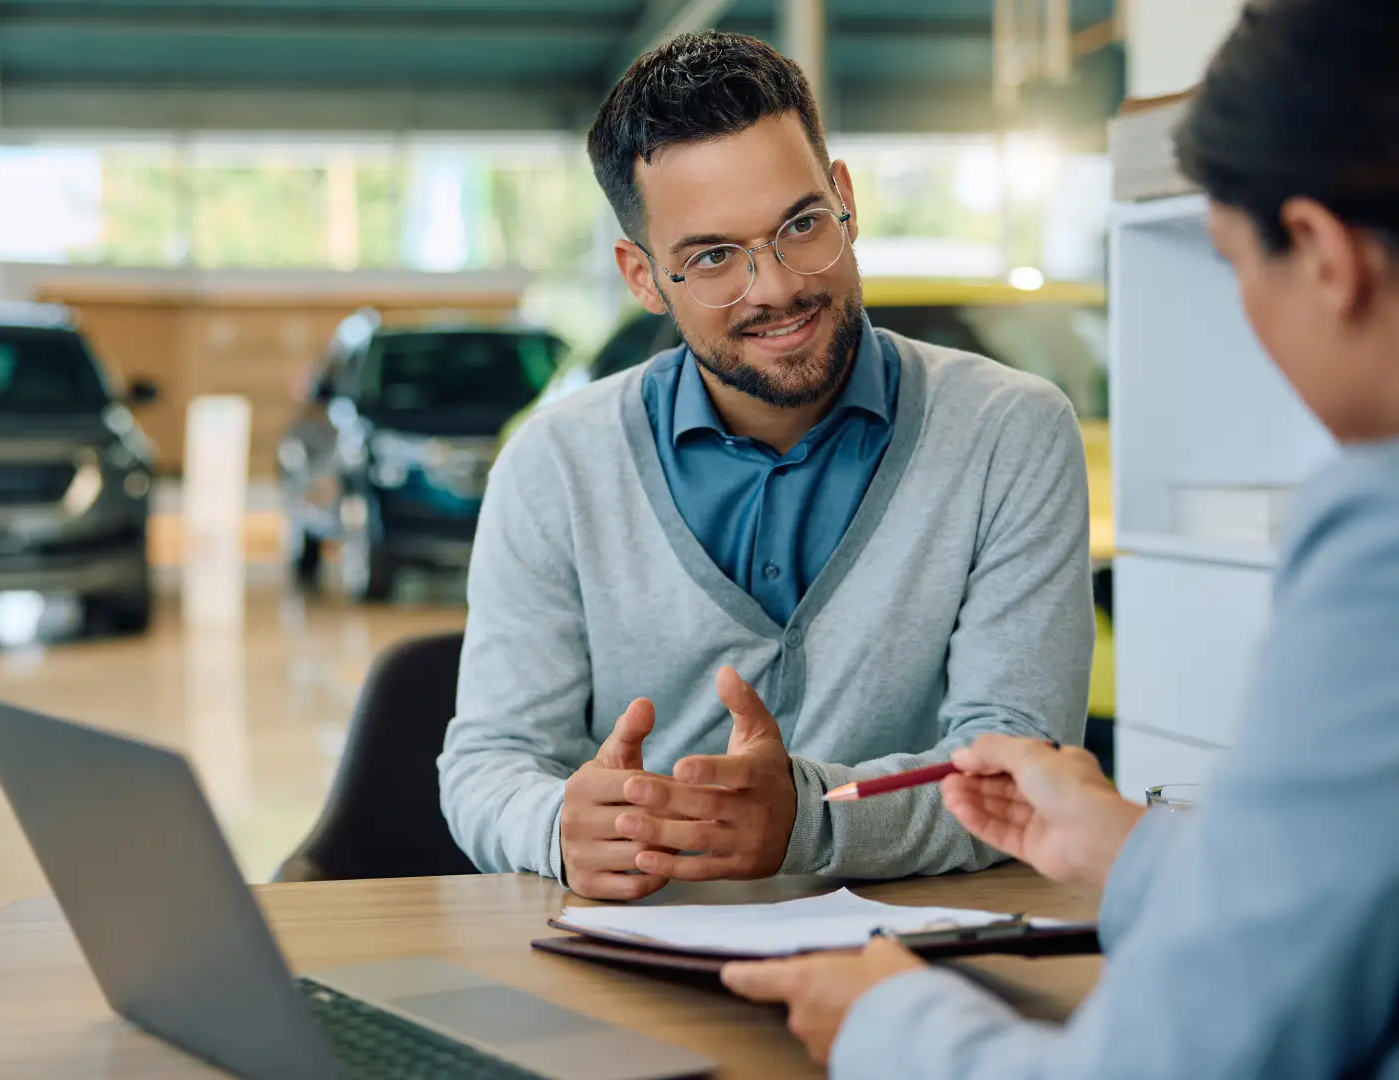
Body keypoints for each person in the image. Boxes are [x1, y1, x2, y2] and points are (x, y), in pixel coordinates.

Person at [719, 1, 1399, 1075]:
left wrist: (891, 1022)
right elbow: (1345, 893)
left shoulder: (1380, 551)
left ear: (1320, 253)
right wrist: (1128, 848)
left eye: (1232, 268)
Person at [438, 31, 1095, 900]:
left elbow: (1021, 767)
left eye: (800, 226)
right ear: (643, 277)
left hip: (918, 965)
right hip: (640, 963)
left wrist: (807, 821)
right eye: (712, 257)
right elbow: (489, 763)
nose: (777, 287)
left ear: (845, 199)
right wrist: (560, 827)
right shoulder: (555, 465)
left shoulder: (1012, 432)